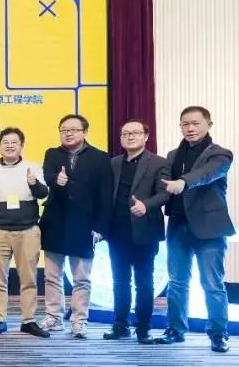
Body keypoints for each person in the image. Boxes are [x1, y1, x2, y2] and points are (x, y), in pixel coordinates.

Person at [156, 106, 234, 353]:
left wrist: (183, 181)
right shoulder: (172, 155)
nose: (190, 128)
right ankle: (175, 330)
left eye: (195, 123)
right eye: (185, 124)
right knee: (177, 282)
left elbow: (206, 174)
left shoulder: (220, 154)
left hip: (209, 229)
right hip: (178, 226)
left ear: (208, 125)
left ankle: (218, 334)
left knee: (212, 283)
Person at [40, 114, 112, 339]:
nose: (68, 133)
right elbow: (47, 175)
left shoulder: (100, 157)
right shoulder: (52, 153)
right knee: (52, 276)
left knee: (81, 278)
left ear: (85, 132)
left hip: (84, 225)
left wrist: (100, 227)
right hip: (55, 222)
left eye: (73, 129)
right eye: (63, 130)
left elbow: (105, 194)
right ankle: (53, 317)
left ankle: (79, 321)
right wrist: (56, 180)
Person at [103, 119, 169, 344]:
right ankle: (120, 324)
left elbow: (164, 193)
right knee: (119, 281)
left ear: (146, 136)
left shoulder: (159, 163)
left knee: (144, 282)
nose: (130, 137)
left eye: (135, 133)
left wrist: (146, 205)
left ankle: (144, 328)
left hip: (144, 230)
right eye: (126, 134)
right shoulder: (113, 163)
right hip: (117, 230)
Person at [0, 127, 50, 337]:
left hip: (28, 230)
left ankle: (28, 320)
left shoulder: (33, 167)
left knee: (29, 279)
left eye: (14, 142)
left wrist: (34, 184)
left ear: (22, 146)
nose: (9, 146)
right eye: (5, 142)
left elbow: (43, 193)